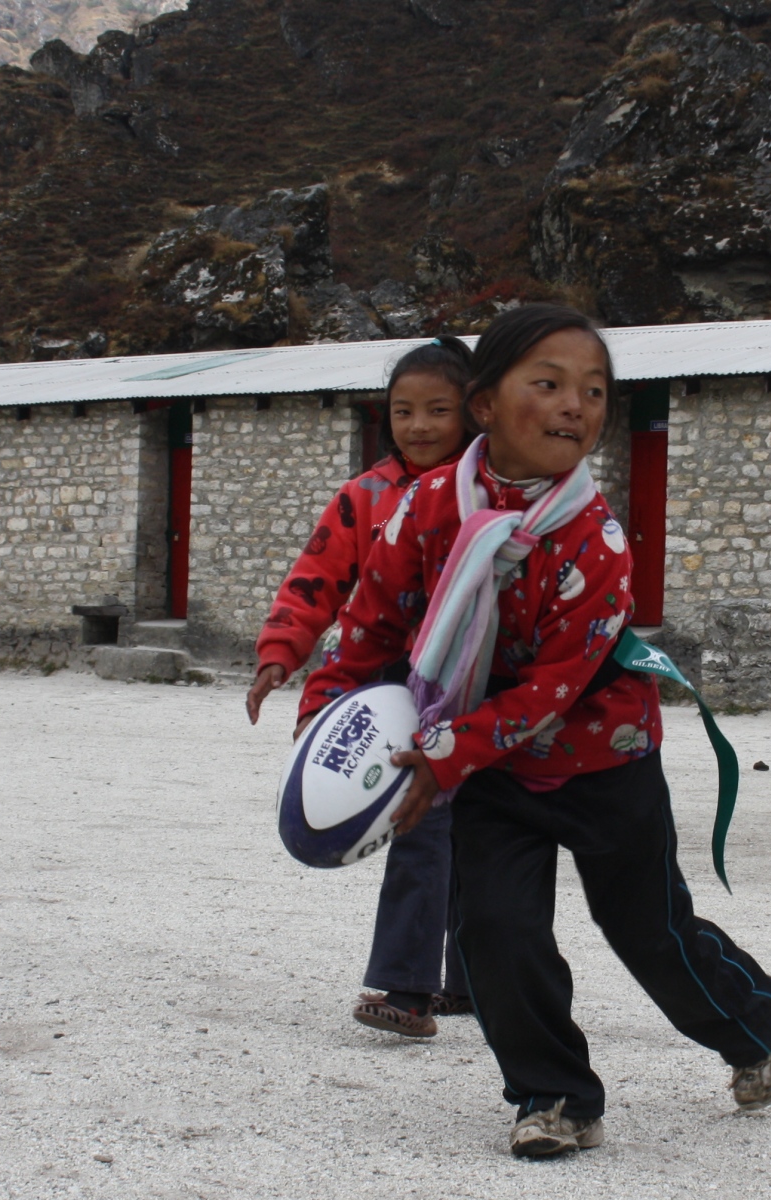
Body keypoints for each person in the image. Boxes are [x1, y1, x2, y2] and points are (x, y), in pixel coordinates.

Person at [297, 304, 771, 1158]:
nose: (576, 405)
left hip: (602, 761)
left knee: (648, 933)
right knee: (495, 931)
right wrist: (326, 715)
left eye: (593, 391)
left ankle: (752, 1020)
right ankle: (553, 1096)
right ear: (484, 405)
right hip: (489, 770)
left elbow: (552, 688)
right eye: (550, 384)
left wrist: (442, 754)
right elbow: (373, 622)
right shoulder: (423, 510)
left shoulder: (595, 540)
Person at [248, 338, 475, 1040]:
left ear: (475, 410)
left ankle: (465, 981)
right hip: (390, 689)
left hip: (476, 686)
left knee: (483, 832)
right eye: (403, 411)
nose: (418, 425)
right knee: (420, 823)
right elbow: (313, 582)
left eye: (438, 410)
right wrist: (279, 653)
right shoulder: (364, 497)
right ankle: (408, 988)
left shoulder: (494, 492)